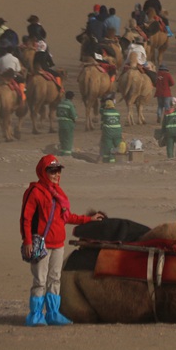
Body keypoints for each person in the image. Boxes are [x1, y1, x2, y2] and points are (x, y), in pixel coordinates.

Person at [20, 155, 105, 326]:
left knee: (55, 278)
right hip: (42, 245)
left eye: (58, 170)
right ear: (43, 172)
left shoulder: (59, 193)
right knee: (40, 280)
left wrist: (89, 219)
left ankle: (52, 314)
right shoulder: (35, 192)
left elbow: (66, 217)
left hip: (58, 244)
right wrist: (27, 241)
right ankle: (35, 315)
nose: (56, 174)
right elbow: (26, 219)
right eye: (52, 171)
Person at [100, 97, 122, 163]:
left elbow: (100, 110)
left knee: (108, 146)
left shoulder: (105, 113)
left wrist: (102, 105)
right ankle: (117, 159)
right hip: (118, 132)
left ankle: (108, 160)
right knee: (118, 146)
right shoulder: (117, 113)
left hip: (108, 133)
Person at [55, 92, 77, 156]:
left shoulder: (60, 103)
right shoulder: (70, 104)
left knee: (62, 137)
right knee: (68, 138)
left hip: (60, 123)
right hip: (68, 124)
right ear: (72, 97)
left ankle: (62, 152)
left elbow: (57, 113)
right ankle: (67, 153)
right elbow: (74, 115)